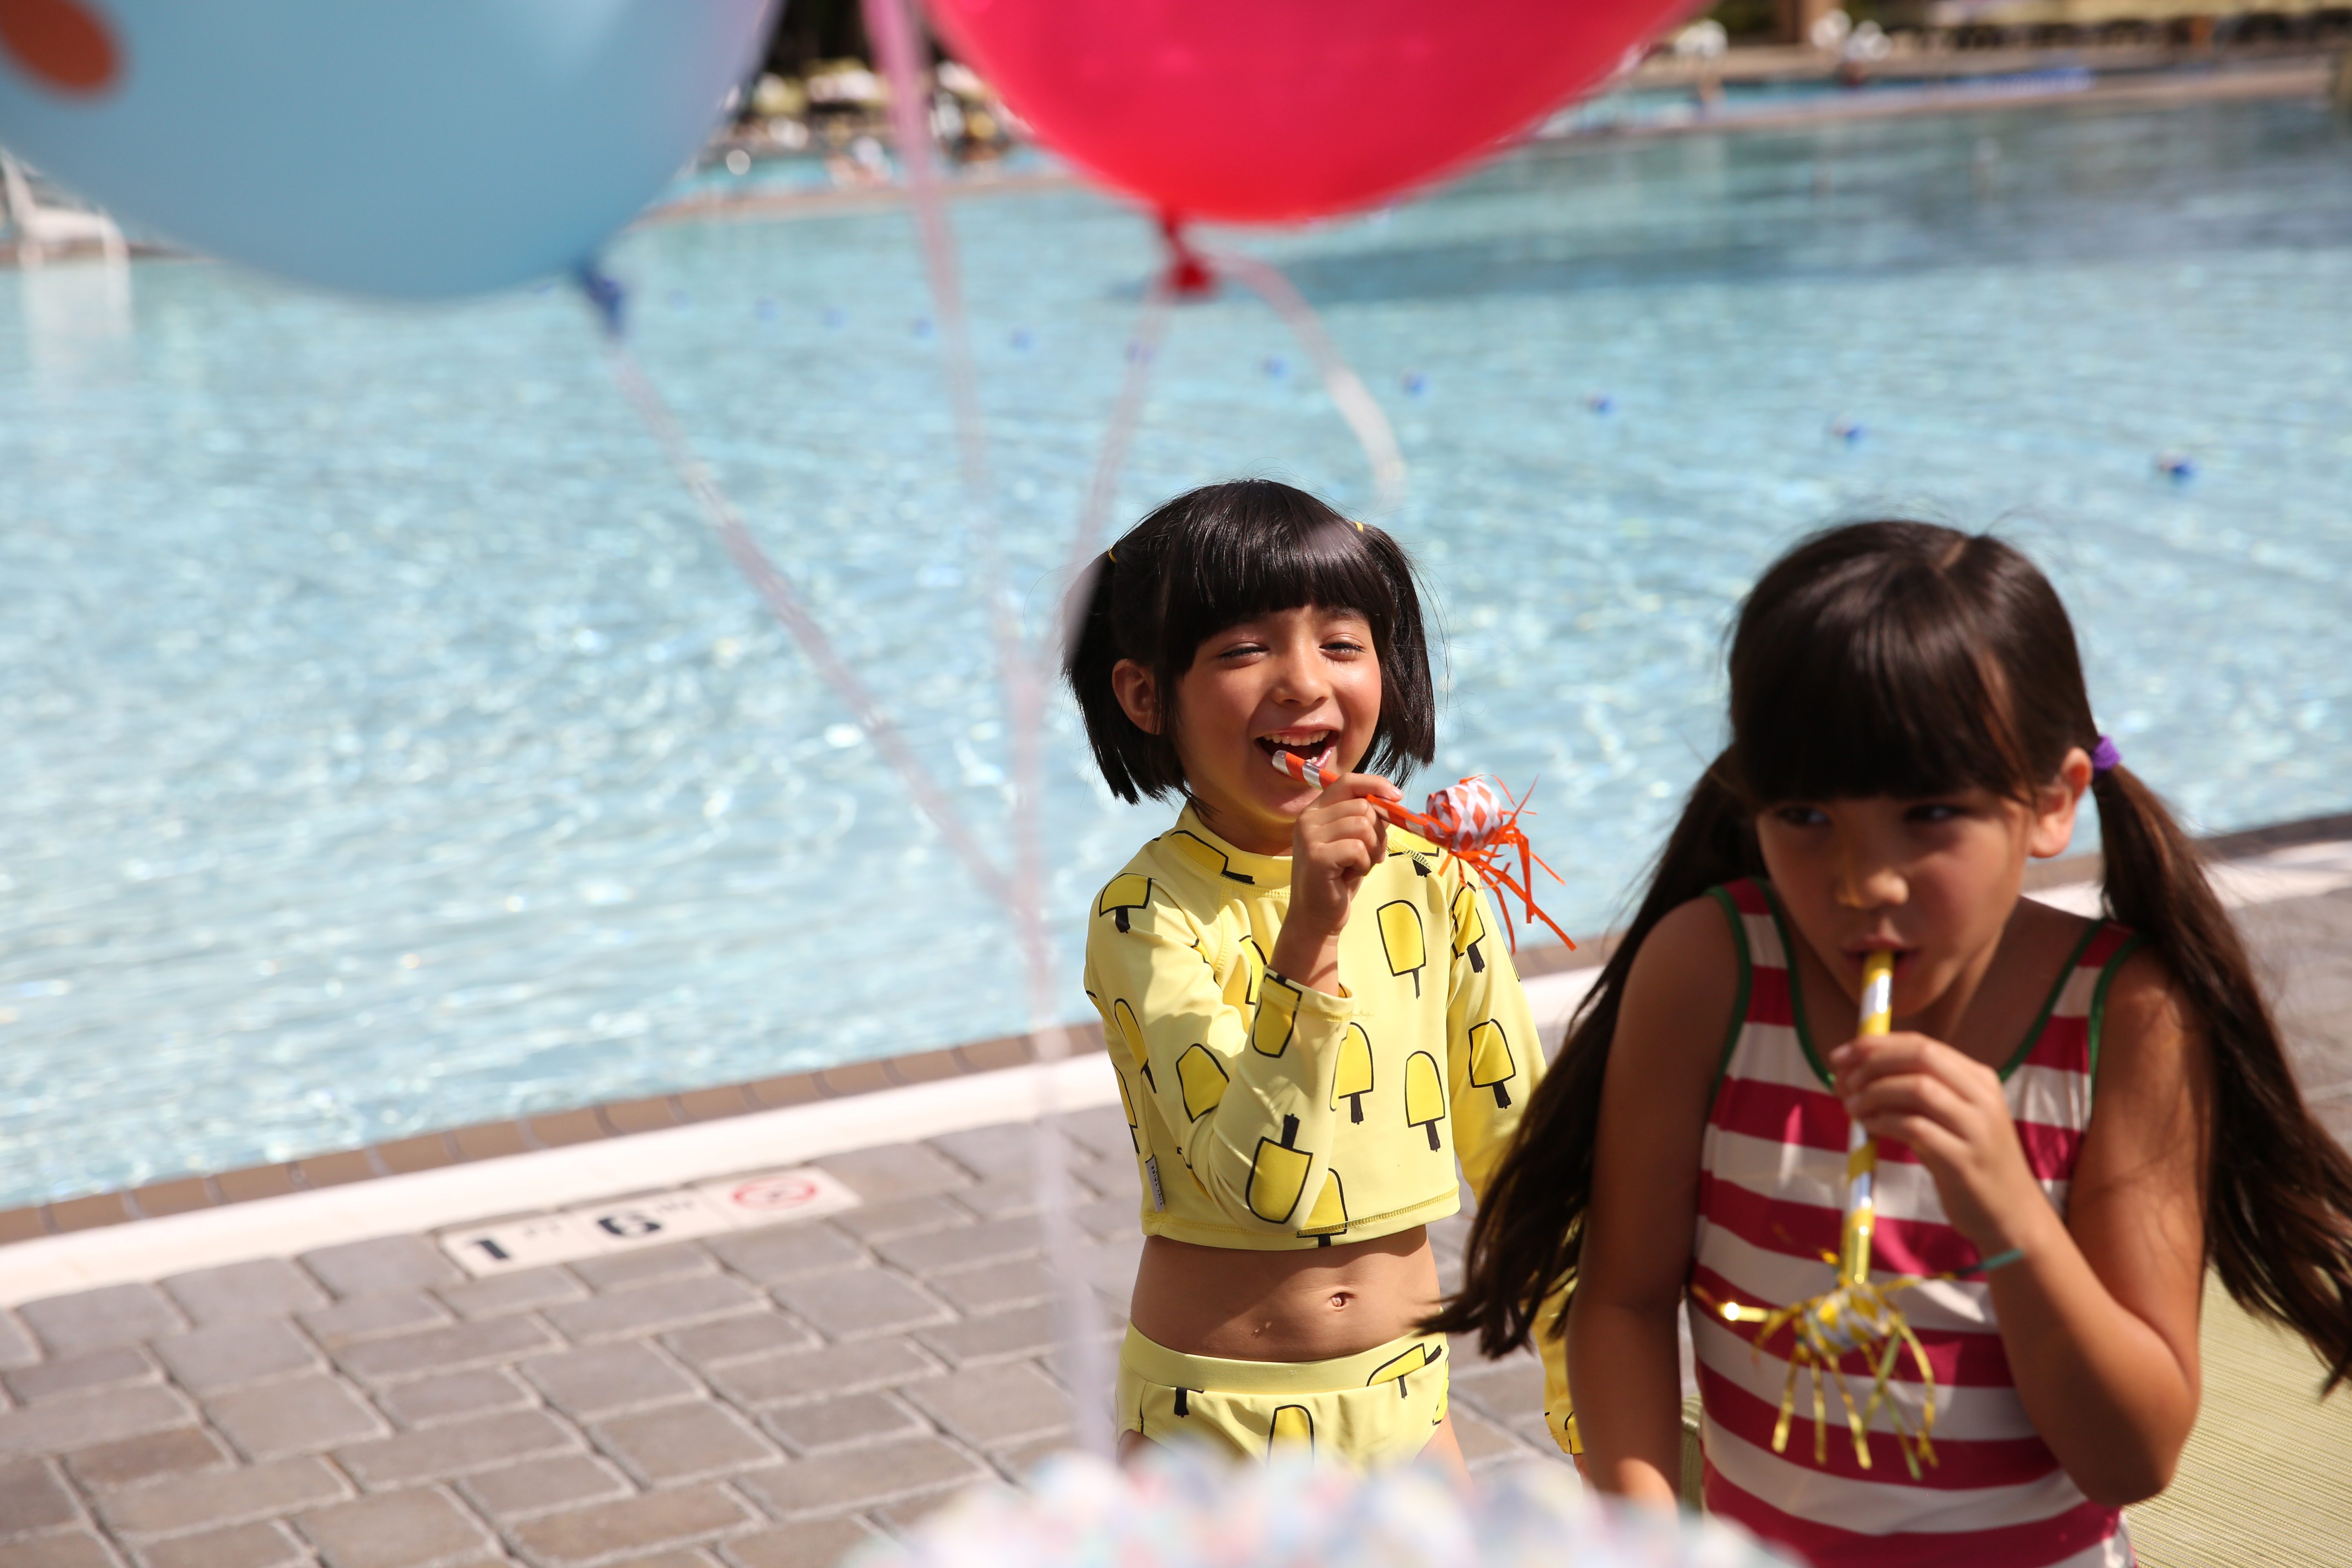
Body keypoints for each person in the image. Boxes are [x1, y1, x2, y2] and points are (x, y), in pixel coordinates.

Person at [1433, 521, 2352, 1564]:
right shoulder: (1710, 974)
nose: (1864, 882)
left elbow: (2132, 1458)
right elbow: (1625, 1304)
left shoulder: (2125, 1016)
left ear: (2053, 805)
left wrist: (2010, 1215)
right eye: (1806, 816)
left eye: (1929, 814)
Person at [1065, 479, 1546, 1472]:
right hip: (1213, 1422)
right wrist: (1311, 935)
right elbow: (1259, 1189)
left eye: (1341, 643)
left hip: (1407, 1408)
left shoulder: (1434, 884)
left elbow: (1521, 1156)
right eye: (1246, 649)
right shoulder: (1144, 914)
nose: (1303, 683)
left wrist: (1595, 1411)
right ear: (1146, 694)